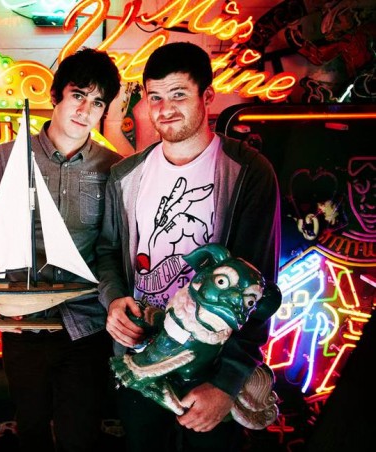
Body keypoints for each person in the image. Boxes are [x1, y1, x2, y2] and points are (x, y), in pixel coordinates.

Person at [97, 41, 282, 451]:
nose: (165, 109)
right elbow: (107, 251)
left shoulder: (248, 171)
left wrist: (227, 383)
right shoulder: (125, 175)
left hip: (211, 371)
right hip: (142, 359)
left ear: (207, 96)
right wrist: (114, 300)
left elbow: (256, 286)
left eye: (178, 94)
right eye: (155, 97)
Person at [0, 48, 122, 452]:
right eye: (78, 95)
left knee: (81, 435)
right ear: (55, 95)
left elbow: (113, 247)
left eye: (97, 103)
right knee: (31, 428)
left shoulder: (113, 168)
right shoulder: (6, 158)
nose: (85, 110)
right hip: (24, 321)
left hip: (86, 323)